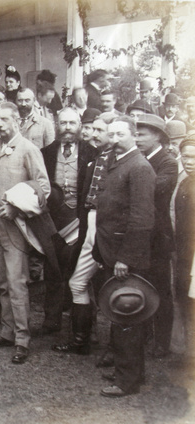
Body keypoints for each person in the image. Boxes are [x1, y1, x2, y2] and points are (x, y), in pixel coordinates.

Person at [0, 102, 51, 364]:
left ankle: (22, 340)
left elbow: (43, 188)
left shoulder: (29, 149)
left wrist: (16, 207)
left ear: (17, 121)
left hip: (16, 226)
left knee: (17, 282)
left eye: (3, 120)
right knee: (2, 282)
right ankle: (7, 333)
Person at [94, 115, 155, 397]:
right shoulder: (115, 161)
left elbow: (142, 219)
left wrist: (125, 258)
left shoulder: (139, 167)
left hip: (125, 256)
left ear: (133, 135)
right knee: (122, 317)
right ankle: (130, 372)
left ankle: (127, 381)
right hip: (110, 250)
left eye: (120, 134)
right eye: (112, 134)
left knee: (127, 312)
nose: (114, 139)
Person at [52, 116, 113, 355]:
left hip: (107, 230)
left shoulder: (118, 162)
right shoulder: (95, 159)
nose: (93, 134)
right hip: (89, 225)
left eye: (100, 130)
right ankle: (80, 341)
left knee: (111, 287)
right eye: (92, 129)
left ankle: (115, 348)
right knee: (77, 282)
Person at [39, 108, 98, 334]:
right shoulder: (45, 152)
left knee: (80, 272)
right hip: (53, 220)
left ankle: (83, 326)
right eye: (63, 123)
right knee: (52, 269)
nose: (67, 128)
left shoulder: (91, 153)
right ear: (56, 124)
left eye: (72, 123)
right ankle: (51, 320)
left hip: (80, 220)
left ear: (80, 125)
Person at [135, 114, 178, 358]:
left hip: (159, 237)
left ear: (158, 136)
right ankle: (143, 336)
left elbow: (153, 190)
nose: (137, 138)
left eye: (142, 134)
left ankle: (162, 342)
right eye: (136, 133)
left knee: (161, 289)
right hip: (141, 235)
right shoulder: (139, 158)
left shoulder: (168, 162)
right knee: (140, 285)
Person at [174, 135, 195, 357]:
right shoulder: (185, 182)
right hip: (183, 251)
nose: (189, 161)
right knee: (185, 297)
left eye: (193, 157)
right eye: (185, 157)